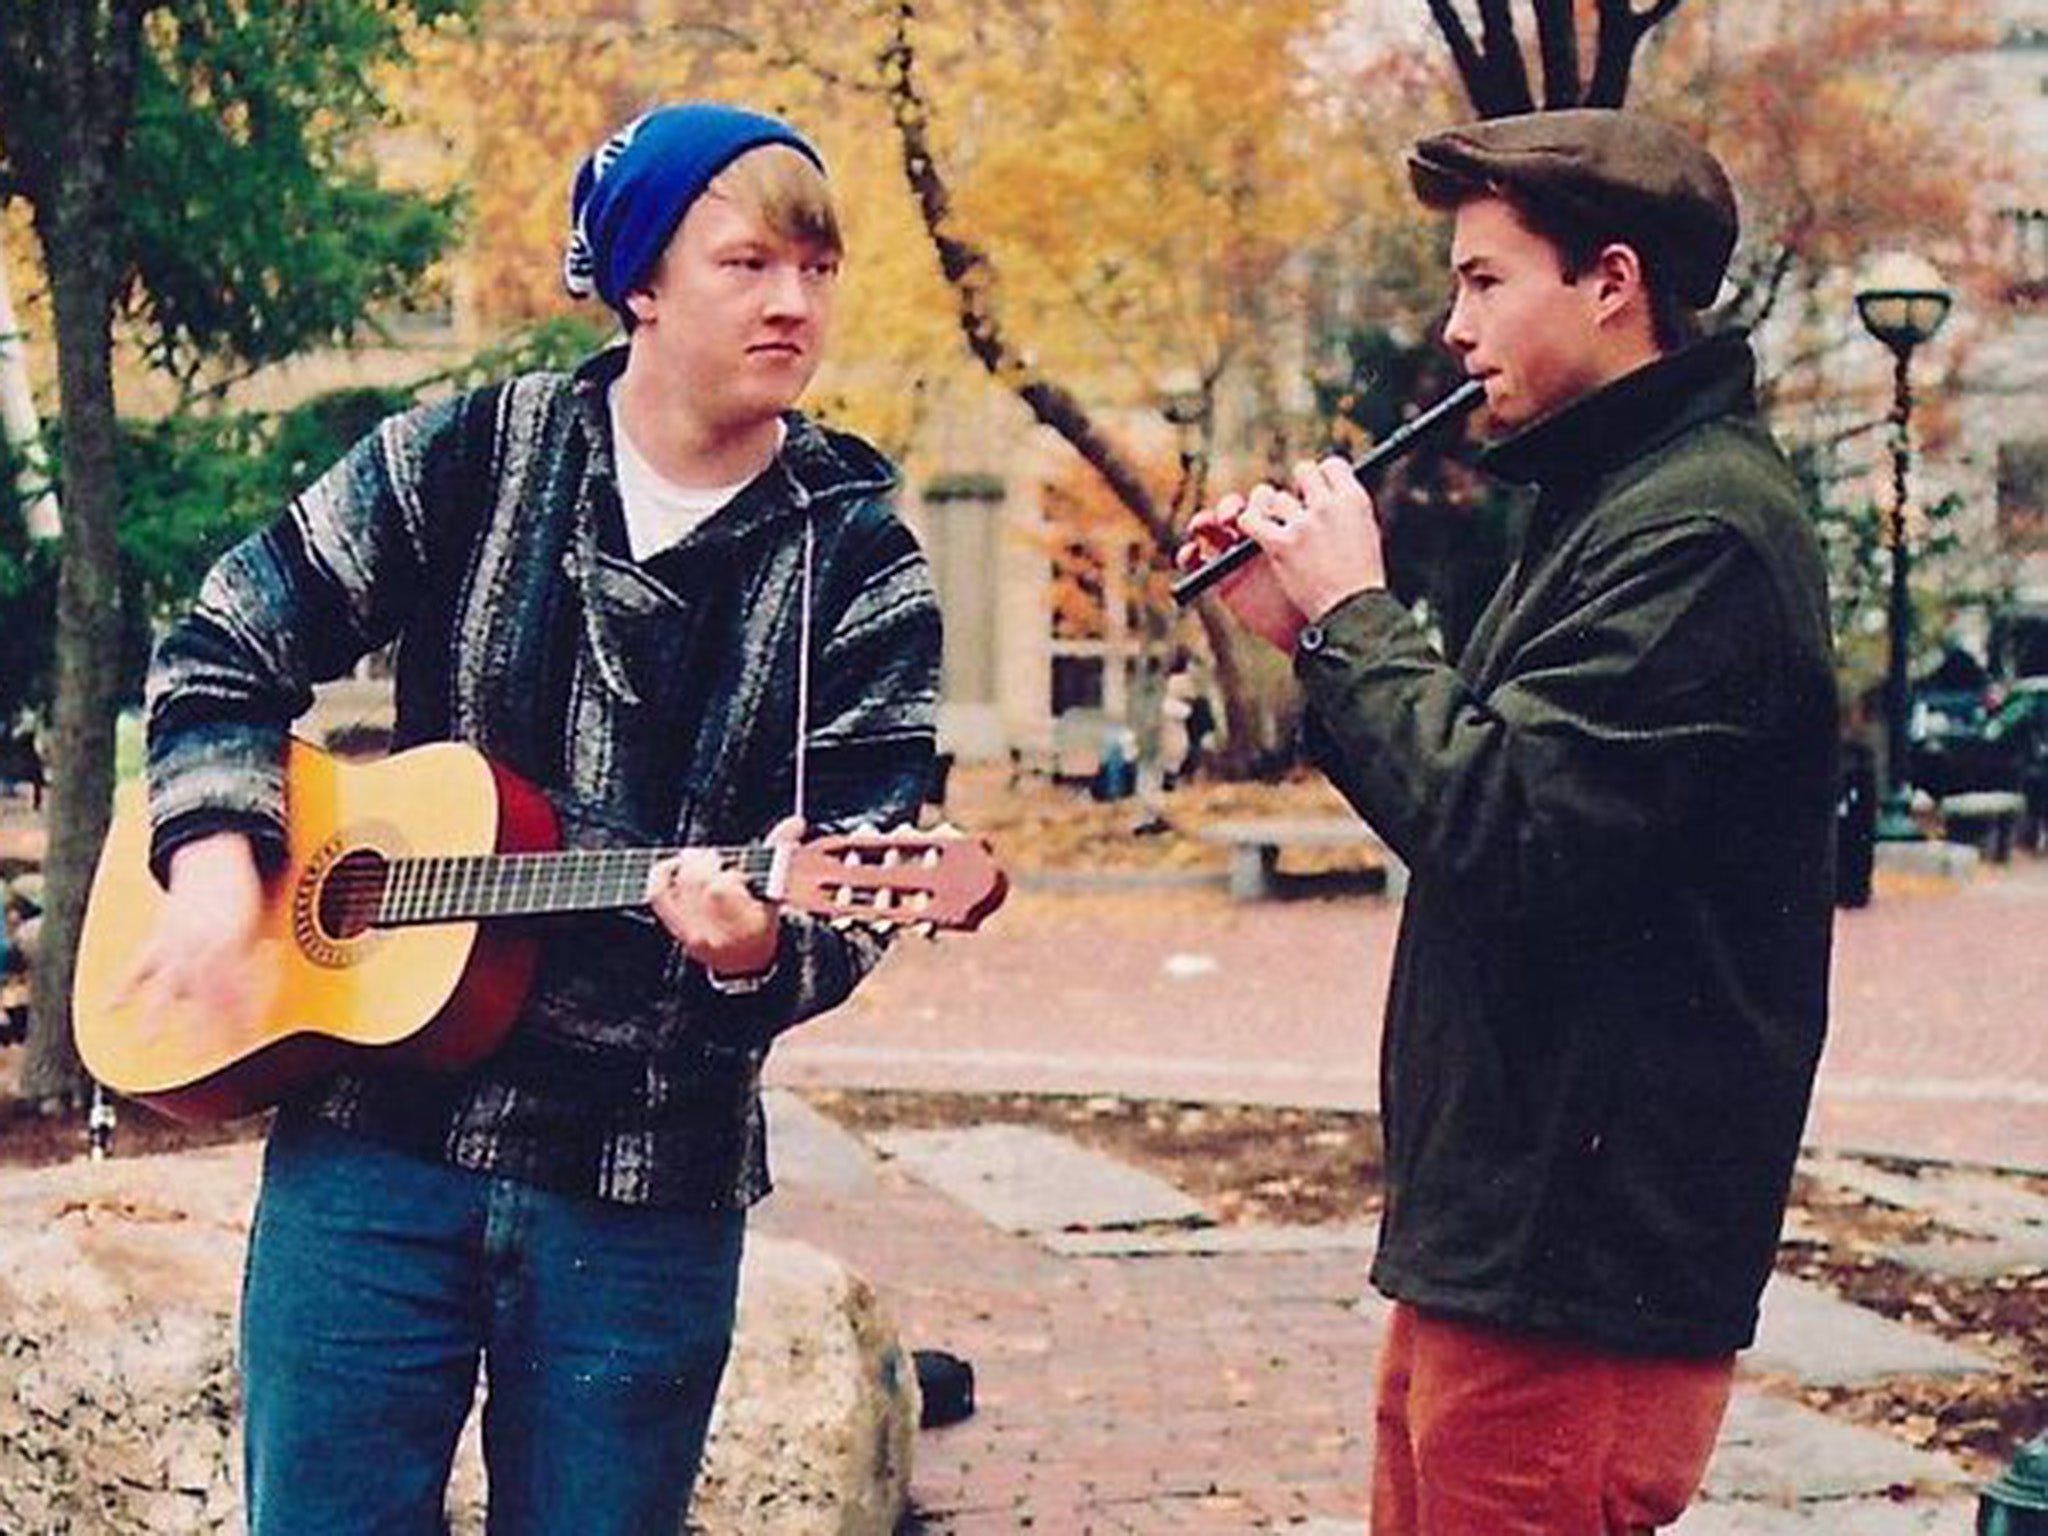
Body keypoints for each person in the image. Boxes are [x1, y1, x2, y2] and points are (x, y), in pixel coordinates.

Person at [125, 102, 941, 1533]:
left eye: (818, 268)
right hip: (372, 1146)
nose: (793, 302)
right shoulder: (475, 456)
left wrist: (757, 950)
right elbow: (224, 639)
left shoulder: (860, 565)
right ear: (638, 283)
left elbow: (853, 880)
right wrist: (215, 877)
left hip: (639, 1179)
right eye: (748, 263)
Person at [1179, 109, 1836, 1534]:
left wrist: (1357, 613)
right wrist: (1311, 639)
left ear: (1610, 282)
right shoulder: (1614, 503)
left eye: (1485, 280)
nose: (1453, 322)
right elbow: (1479, 793)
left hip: (1578, 1261)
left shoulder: (1700, 531)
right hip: (1507, 1229)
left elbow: (1512, 831)